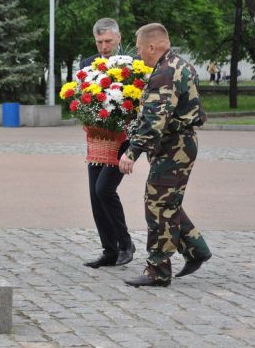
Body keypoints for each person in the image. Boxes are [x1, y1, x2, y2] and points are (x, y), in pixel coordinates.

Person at [119, 23, 211, 288]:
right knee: (166, 201)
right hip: (179, 144)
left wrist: (132, 152)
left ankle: (158, 270)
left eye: (139, 49)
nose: (138, 55)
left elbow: (154, 119)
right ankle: (196, 249)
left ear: (151, 46)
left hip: (175, 146)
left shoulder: (166, 72)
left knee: (158, 206)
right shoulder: (180, 65)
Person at [80, 18, 136, 269]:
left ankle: (126, 244)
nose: (104, 46)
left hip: (123, 139)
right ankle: (109, 250)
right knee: (94, 194)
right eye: (100, 42)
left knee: (104, 189)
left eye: (108, 41)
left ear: (119, 38)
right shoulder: (87, 65)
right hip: (98, 138)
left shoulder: (133, 67)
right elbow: (82, 98)